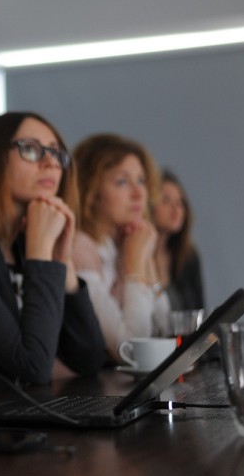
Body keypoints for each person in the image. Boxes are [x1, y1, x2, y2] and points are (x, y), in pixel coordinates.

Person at [0, 112, 106, 390]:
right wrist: (40, 253)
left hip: (26, 423)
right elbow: (33, 366)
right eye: (31, 149)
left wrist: (63, 261)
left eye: (56, 152)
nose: (51, 162)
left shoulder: (26, 245)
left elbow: (90, 358)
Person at [71, 133, 170, 362]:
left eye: (141, 180)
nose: (138, 194)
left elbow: (165, 329)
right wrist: (135, 266)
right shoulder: (80, 248)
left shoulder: (123, 244)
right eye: (122, 182)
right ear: (92, 192)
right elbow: (132, 351)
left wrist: (147, 264)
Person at [153, 169, 205, 311]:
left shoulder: (189, 256)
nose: (176, 208)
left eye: (180, 202)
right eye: (165, 200)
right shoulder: (135, 254)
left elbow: (199, 313)